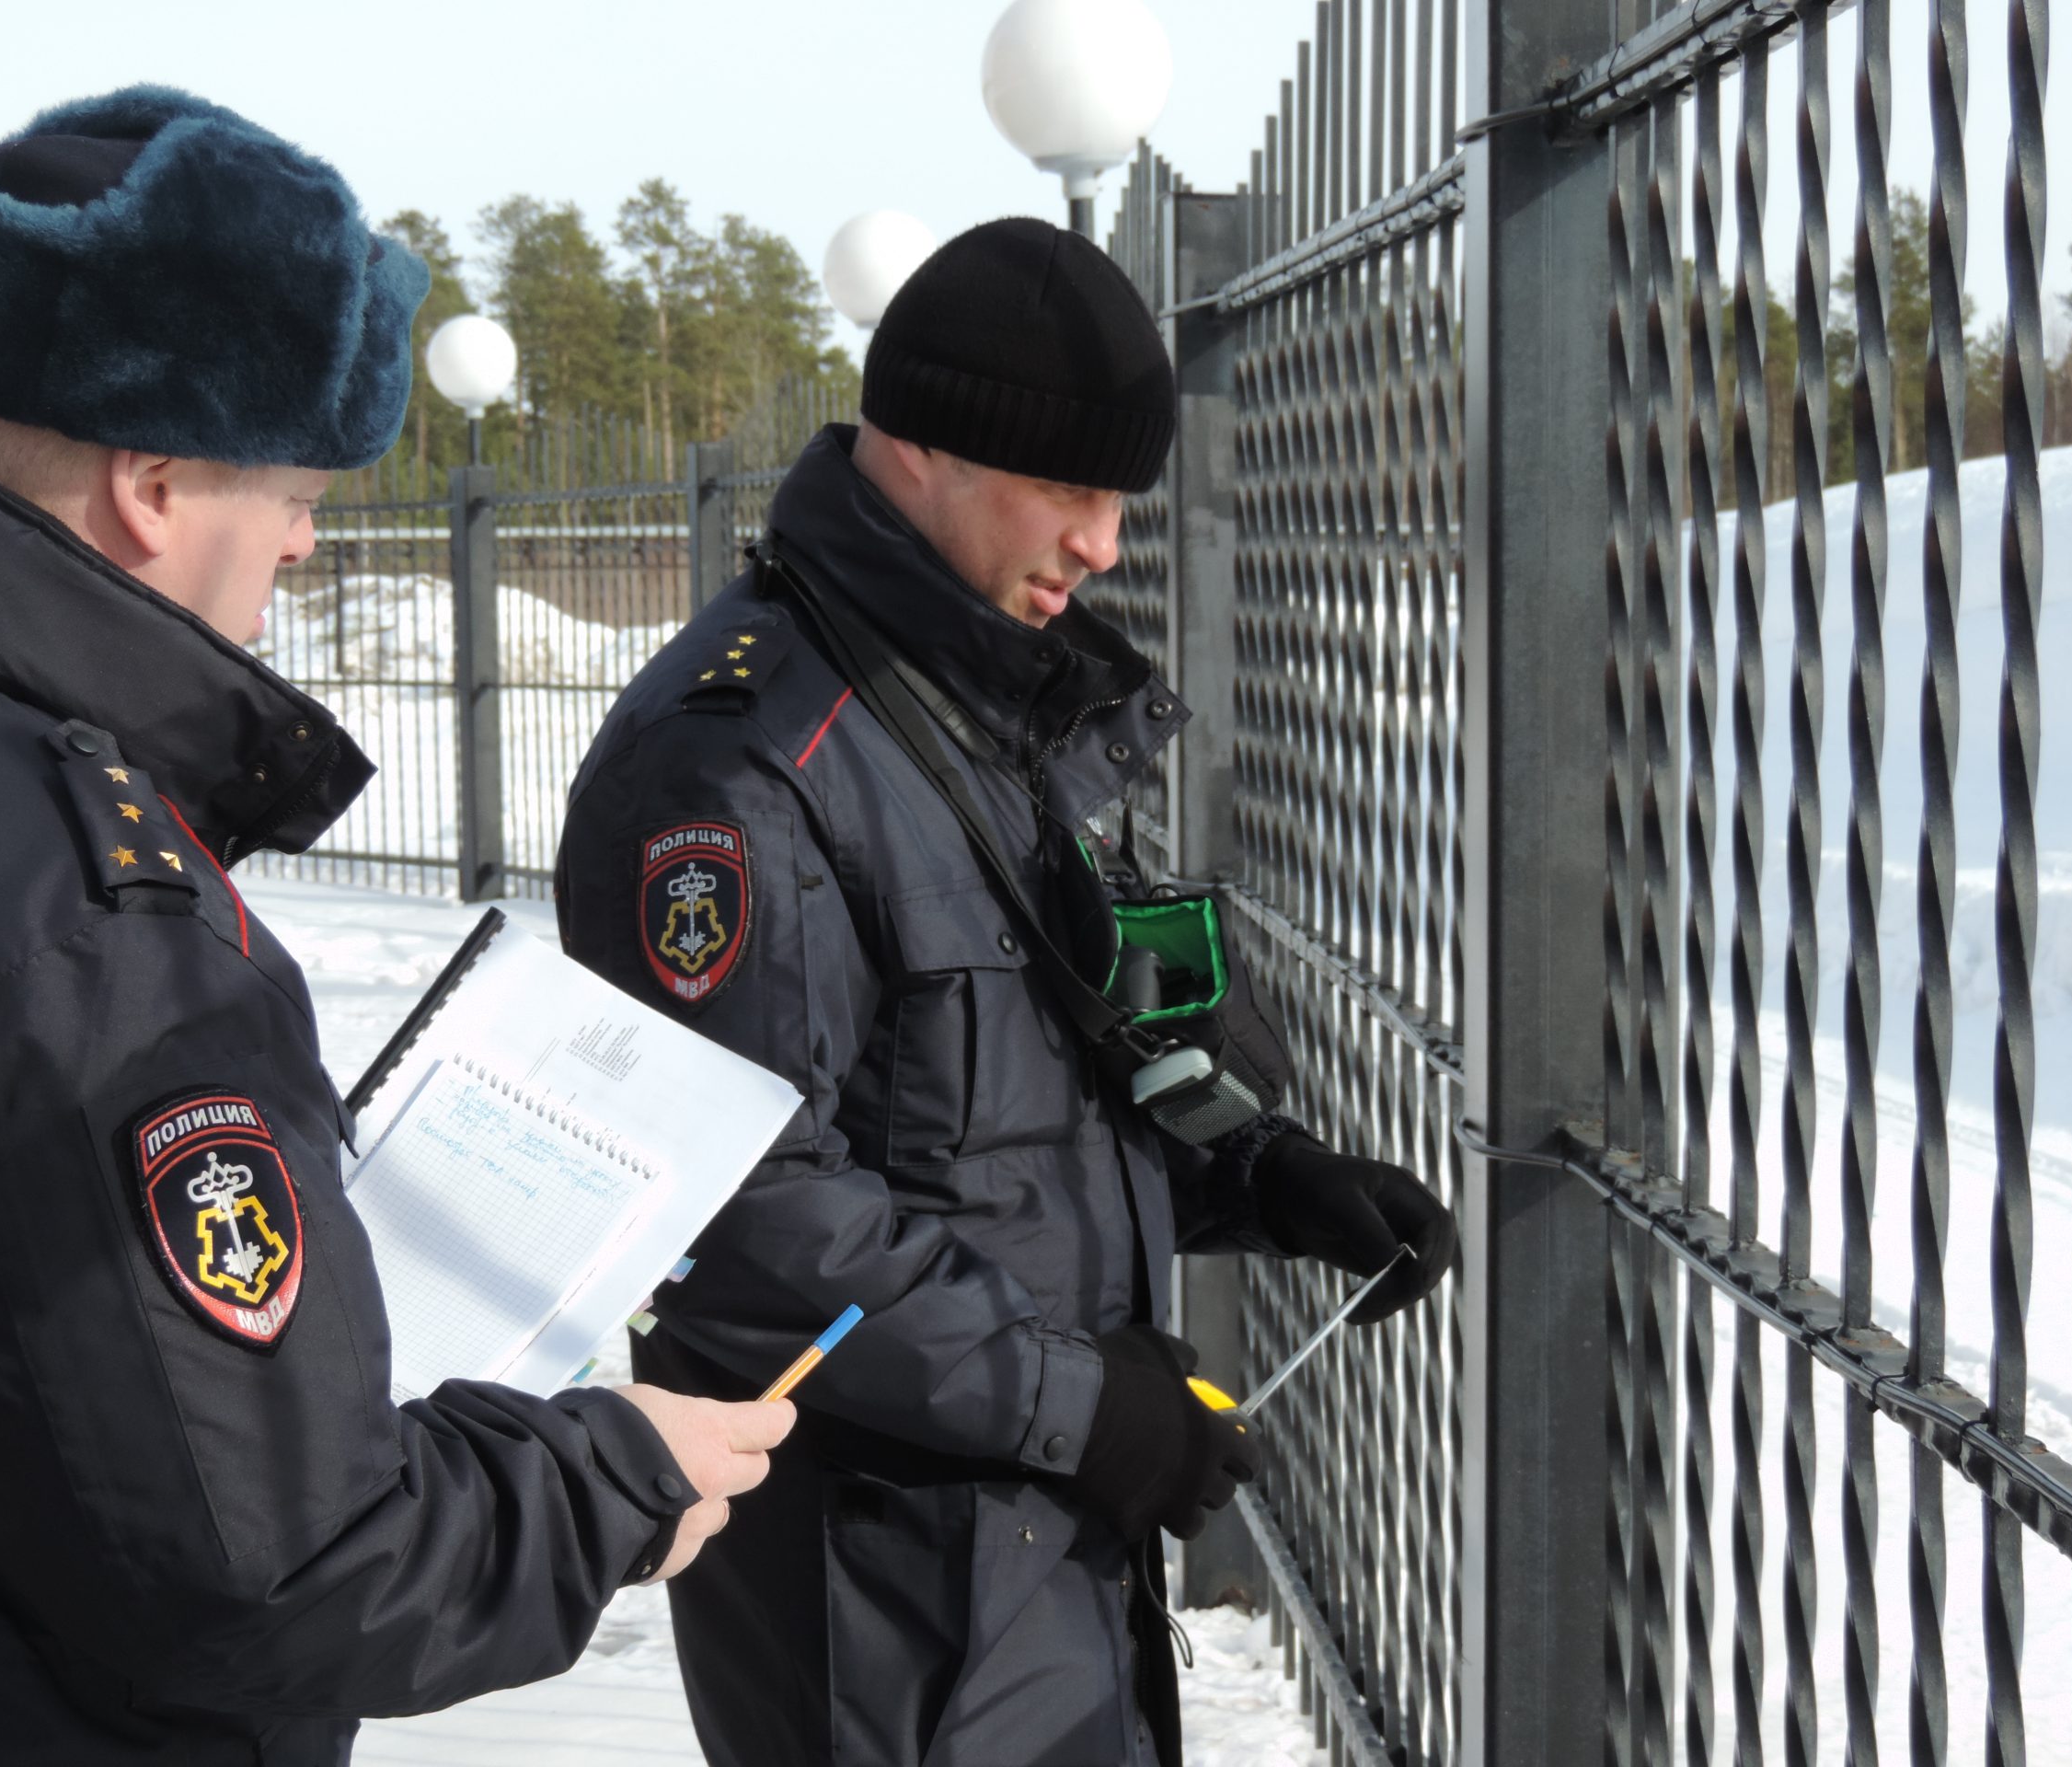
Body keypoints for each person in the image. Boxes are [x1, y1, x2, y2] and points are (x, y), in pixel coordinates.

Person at [0, 87, 792, 1767]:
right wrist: (613, 1476)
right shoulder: (83, 918)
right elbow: (275, 1569)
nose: (309, 544)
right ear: (155, 487)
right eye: (299, 491)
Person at [554, 217, 1458, 1767]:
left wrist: (1260, 1178)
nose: (1105, 545)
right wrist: (1079, 1405)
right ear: (919, 449)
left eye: (1120, 499)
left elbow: (1005, 1110)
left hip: (1028, 1546)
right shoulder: (741, 762)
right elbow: (735, 1211)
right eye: (1072, 490)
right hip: (881, 1578)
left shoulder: (974, 715)